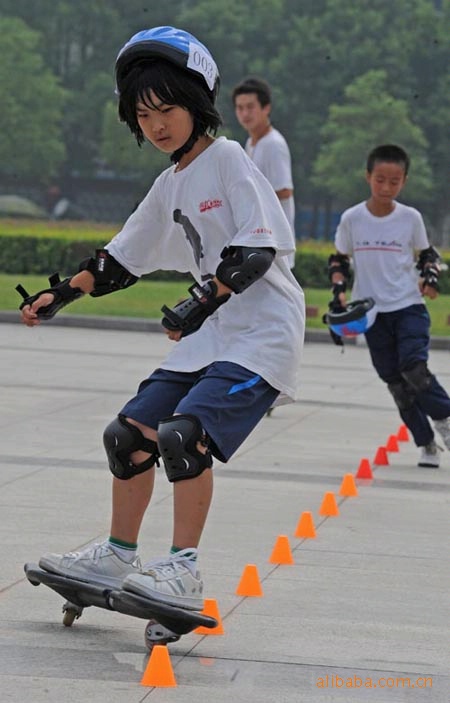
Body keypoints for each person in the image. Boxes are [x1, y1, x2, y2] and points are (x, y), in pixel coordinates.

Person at [19, 27, 305, 612]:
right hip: (213, 337)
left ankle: (182, 569)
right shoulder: (169, 182)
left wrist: (199, 302)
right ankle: (118, 553)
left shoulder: (229, 159)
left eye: (167, 108)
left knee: (184, 435)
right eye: (142, 115)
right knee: (127, 436)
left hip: (263, 337)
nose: (156, 126)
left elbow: (257, 250)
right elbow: (118, 260)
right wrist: (60, 296)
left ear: (199, 104)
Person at [328, 144, 450, 468]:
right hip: (372, 314)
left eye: (394, 182)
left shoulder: (410, 218)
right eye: (380, 179)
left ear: (403, 182)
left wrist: (430, 279)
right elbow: (339, 259)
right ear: (368, 176)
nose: (385, 188)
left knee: (413, 368)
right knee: (396, 383)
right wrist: (339, 289)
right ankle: (425, 443)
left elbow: (427, 255)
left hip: (408, 306)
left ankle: (445, 419)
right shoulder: (352, 218)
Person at [232, 76, 296, 268]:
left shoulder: (273, 144)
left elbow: (284, 190)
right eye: (240, 108)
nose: (245, 114)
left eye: (250, 107)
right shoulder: (251, 143)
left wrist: (245, 198)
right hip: (259, 240)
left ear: (266, 108)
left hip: (273, 243)